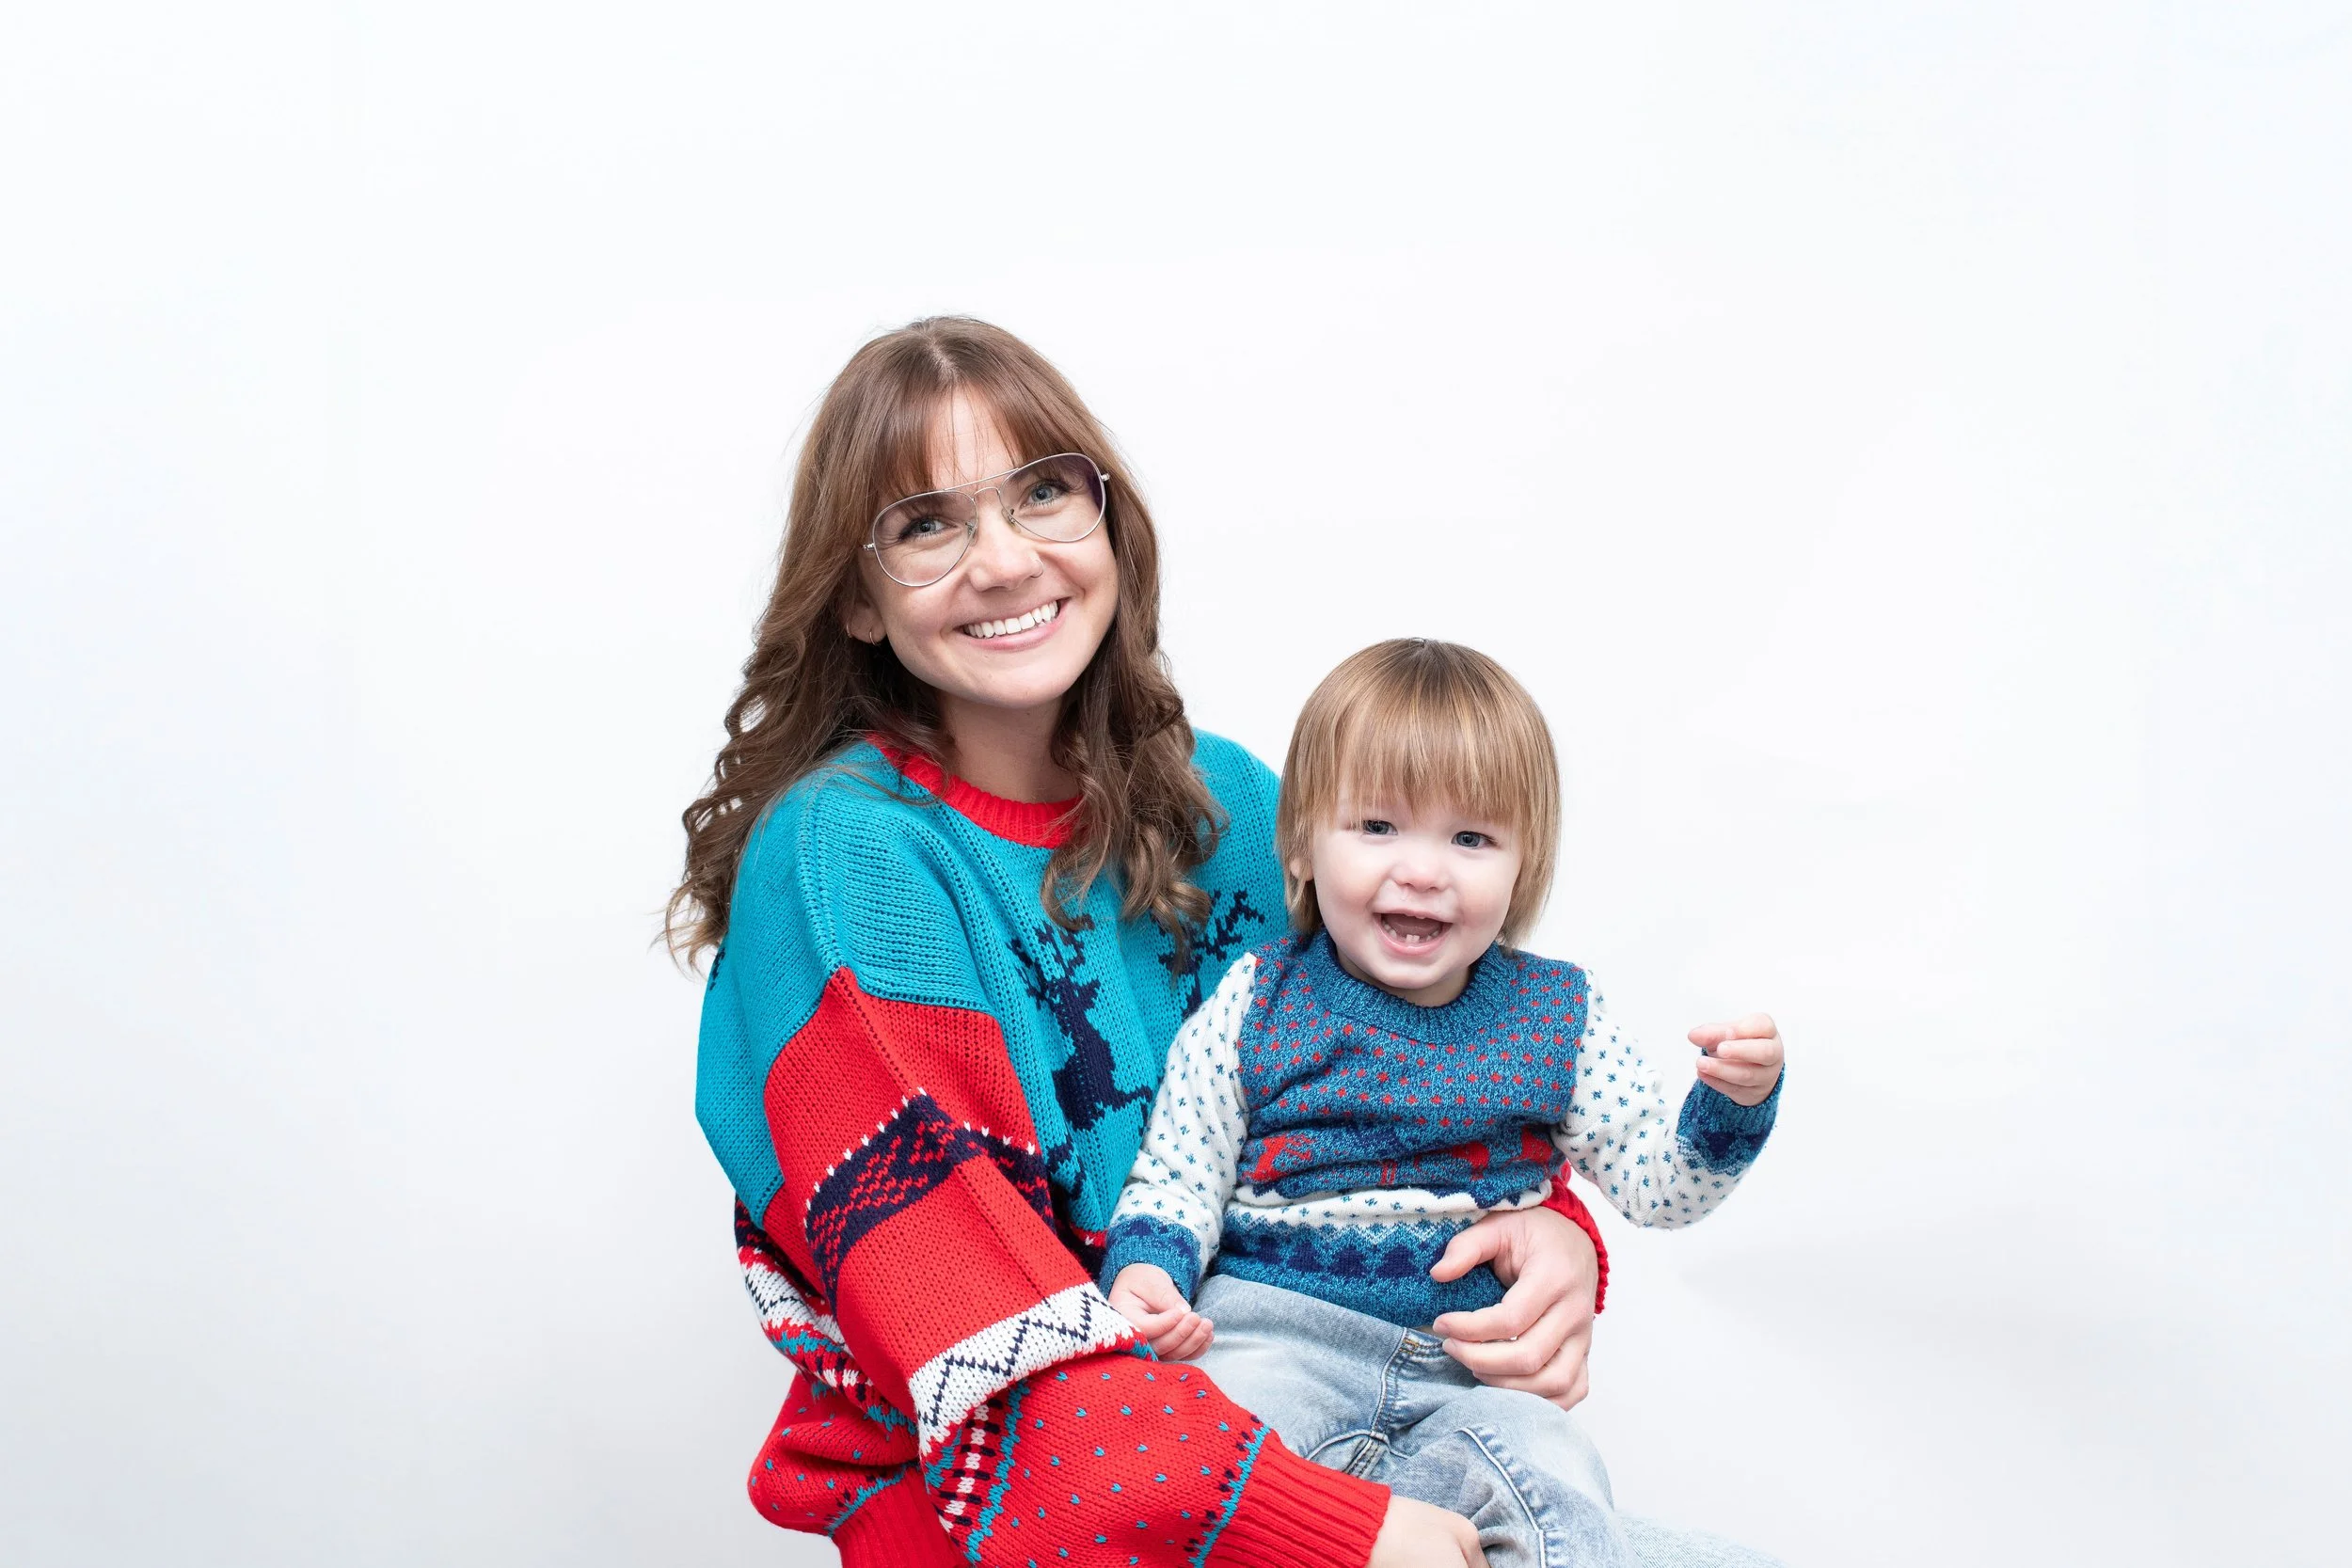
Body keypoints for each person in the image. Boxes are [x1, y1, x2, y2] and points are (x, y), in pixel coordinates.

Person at [673, 316, 1784, 1567]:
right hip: (1027, 1513)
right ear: (858, 599)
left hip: (1328, 1445)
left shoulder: (1235, 809)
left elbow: (1396, 1110)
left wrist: (1557, 1247)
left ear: (1107, 524)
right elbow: (980, 1338)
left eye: (1044, 492)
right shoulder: (845, 863)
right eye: (927, 524)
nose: (1002, 559)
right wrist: (1342, 1533)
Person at [1099, 640, 1786, 1568]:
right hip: (1277, 1338)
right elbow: (1178, 1174)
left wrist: (1731, 1104)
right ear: (1300, 843)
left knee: (1562, 1482)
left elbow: (1660, 1189)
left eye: (1470, 838)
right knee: (1207, 1472)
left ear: (1522, 862)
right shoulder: (1257, 999)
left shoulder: (1558, 1015)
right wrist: (1150, 1274)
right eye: (1377, 825)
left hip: (1470, 1375)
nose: (1422, 870)